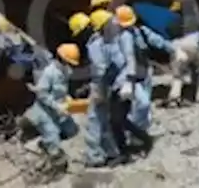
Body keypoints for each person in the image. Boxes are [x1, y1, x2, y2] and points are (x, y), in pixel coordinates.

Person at [115, 4, 173, 138]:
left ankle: (143, 130)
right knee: (140, 104)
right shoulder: (119, 38)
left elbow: (157, 41)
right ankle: (135, 133)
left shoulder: (140, 31)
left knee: (144, 104)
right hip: (130, 77)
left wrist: (173, 48)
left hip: (145, 72)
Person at [24, 43, 81, 175]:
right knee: (53, 141)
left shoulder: (67, 71)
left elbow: (63, 89)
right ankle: (45, 144)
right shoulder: (49, 73)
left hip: (60, 109)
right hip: (45, 111)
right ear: (62, 60)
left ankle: (50, 134)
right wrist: (56, 106)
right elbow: (42, 94)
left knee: (72, 130)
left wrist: (68, 98)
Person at [110, 6, 157, 158]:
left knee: (122, 116)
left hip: (127, 79)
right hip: (127, 78)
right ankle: (139, 140)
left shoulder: (126, 36)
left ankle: (139, 140)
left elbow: (129, 59)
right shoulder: (125, 34)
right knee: (121, 117)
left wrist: (128, 81)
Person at [81, 9, 125, 167]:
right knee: (104, 120)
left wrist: (98, 90)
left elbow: (100, 69)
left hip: (102, 85)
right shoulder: (112, 41)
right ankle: (112, 153)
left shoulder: (96, 44)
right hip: (112, 85)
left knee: (95, 120)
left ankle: (95, 157)